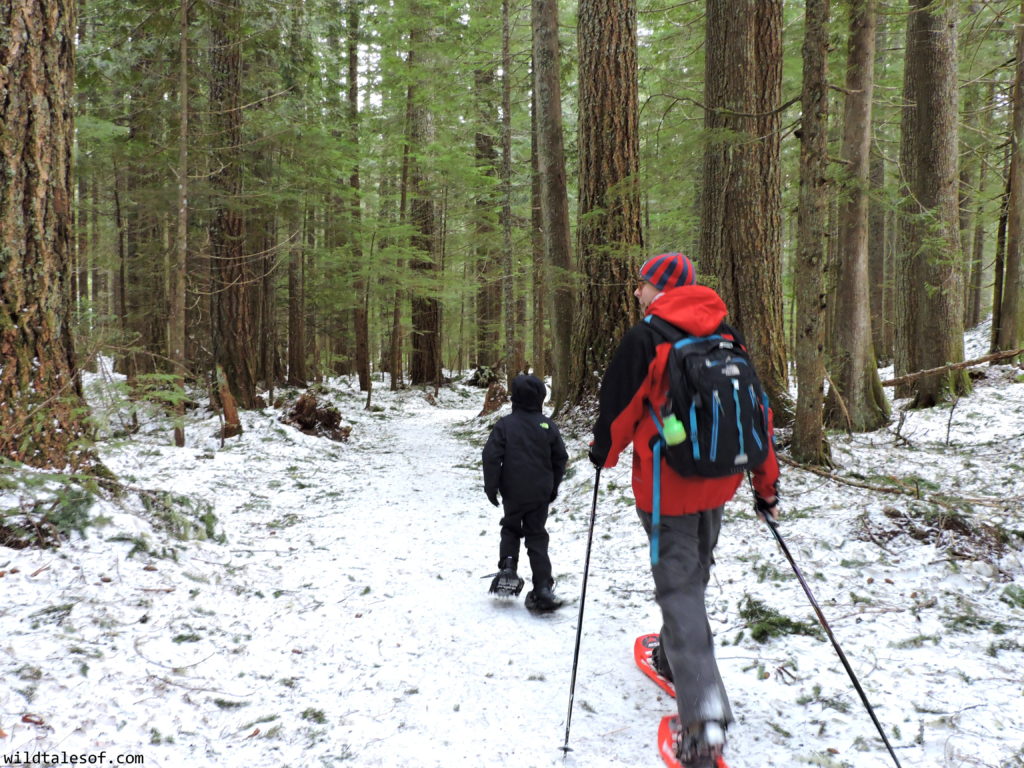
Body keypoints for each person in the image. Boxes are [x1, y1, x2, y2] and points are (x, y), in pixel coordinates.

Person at [589, 252, 780, 767]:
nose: (636, 292)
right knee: (692, 576)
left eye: (642, 283)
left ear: (659, 288)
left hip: (667, 490)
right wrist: (766, 486)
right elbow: (756, 413)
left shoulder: (646, 339)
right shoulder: (726, 334)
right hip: (722, 482)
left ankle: (704, 722)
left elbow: (619, 411)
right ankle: (675, 664)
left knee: (679, 590)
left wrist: (602, 455)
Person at [483, 373, 569, 612]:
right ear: (541, 398)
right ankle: (542, 587)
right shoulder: (547, 426)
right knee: (536, 536)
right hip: (539, 492)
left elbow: (491, 457)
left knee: (511, 527)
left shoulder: (505, 425)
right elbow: (560, 458)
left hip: (513, 490)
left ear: (514, 398)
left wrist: (491, 487)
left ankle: (508, 567)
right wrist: (552, 487)